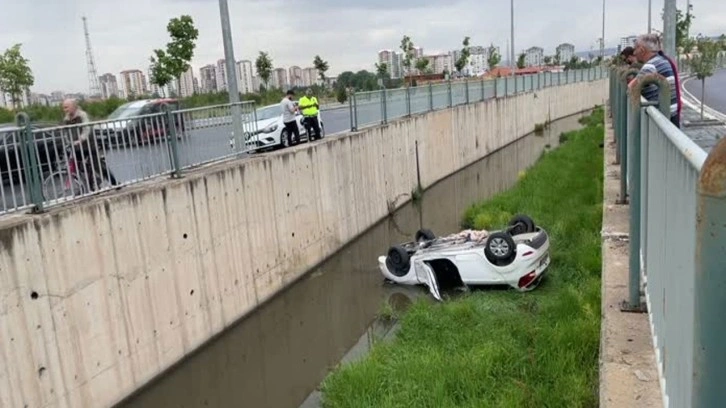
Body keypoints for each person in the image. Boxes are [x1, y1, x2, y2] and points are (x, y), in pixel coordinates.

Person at [61, 98, 119, 189]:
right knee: (77, 166)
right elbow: (65, 132)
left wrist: (81, 139)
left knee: (98, 166)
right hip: (76, 147)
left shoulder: (82, 115)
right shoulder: (67, 119)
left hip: (88, 145)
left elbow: (86, 128)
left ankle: (114, 183)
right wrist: (67, 141)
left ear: (73, 106)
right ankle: (88, 187)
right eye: (64, 108)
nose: (65, 110)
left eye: (66, 107)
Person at [628, 33, 680, 128]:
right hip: (672, 116)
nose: (634, 53)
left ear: (642, 50)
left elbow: (631, 88)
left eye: (635, 49)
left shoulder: (650, 66)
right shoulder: (662, 60)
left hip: (662, 121)